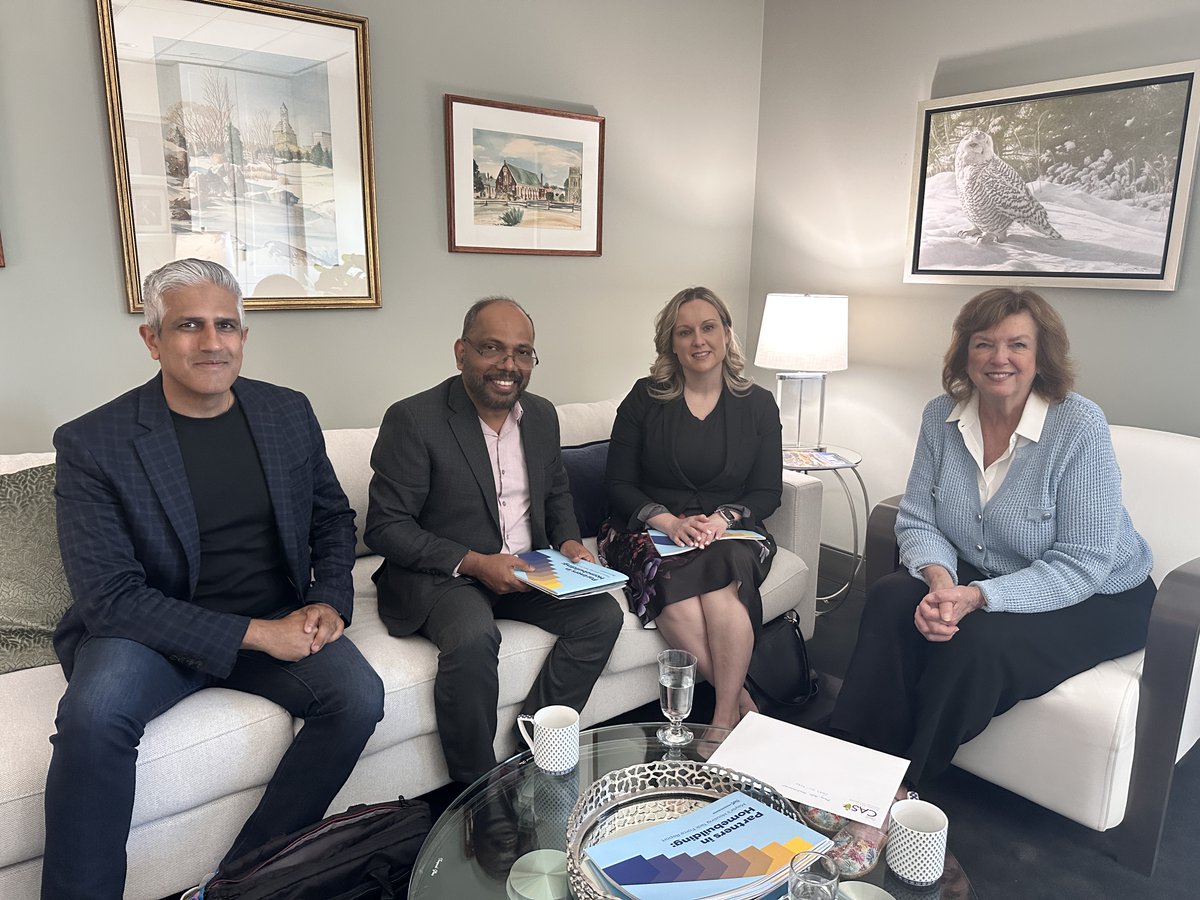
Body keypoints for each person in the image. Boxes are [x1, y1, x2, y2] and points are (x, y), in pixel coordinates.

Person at [42, 259, 385, 900]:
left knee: (358, 697)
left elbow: (334, 519)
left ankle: (241, 881)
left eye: (226, 325)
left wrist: (329, 600)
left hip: (278, 609)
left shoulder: (286, 413)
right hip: (149, 631)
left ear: (244, 337)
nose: (211, 342)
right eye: (188, 326)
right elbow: (109, 598)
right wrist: (260, 635)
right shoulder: (94, 442)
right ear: (152, 339)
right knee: (93, 714)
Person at [822, 288, 1155, 877]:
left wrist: (975, 599)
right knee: (891, 596)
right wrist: (939, 582)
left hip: (1103, 591)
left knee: (976, 642)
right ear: (965, 353)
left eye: (1017, 344)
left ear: (1040, 354)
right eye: (985, 343)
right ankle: (852, 766)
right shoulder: (939, 417)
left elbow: (1084, 559)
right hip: (988, 572)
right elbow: (920, 519)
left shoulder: (1077, 426)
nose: (1000, 357)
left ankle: (894, 792)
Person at [365, 296, 623, 786]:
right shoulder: (414, 419)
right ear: (461, 352)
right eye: (492, 348)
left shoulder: (542, 416)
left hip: (530, 566)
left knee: (602, 615)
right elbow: (385, 526)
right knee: (472, 636)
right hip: (445, 575)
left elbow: (557, 492)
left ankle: (532, 753)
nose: (509, 365)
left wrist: (569, 543)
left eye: (523, 352)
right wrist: (476, 563)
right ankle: (477, 790)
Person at [599, 286, 783, 732]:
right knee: (668, 581)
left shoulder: (758, 405)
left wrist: (723, 519)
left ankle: (720, 723)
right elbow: (618, 484)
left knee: (724, 578)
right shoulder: (644, 398)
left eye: (708, 328)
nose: (699, 340)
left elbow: (767, 492)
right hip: (650, 529)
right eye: (685, 332)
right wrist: (667, 520)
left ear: (726, 335)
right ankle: (742, 706)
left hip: (730, 532)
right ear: (671, 343)